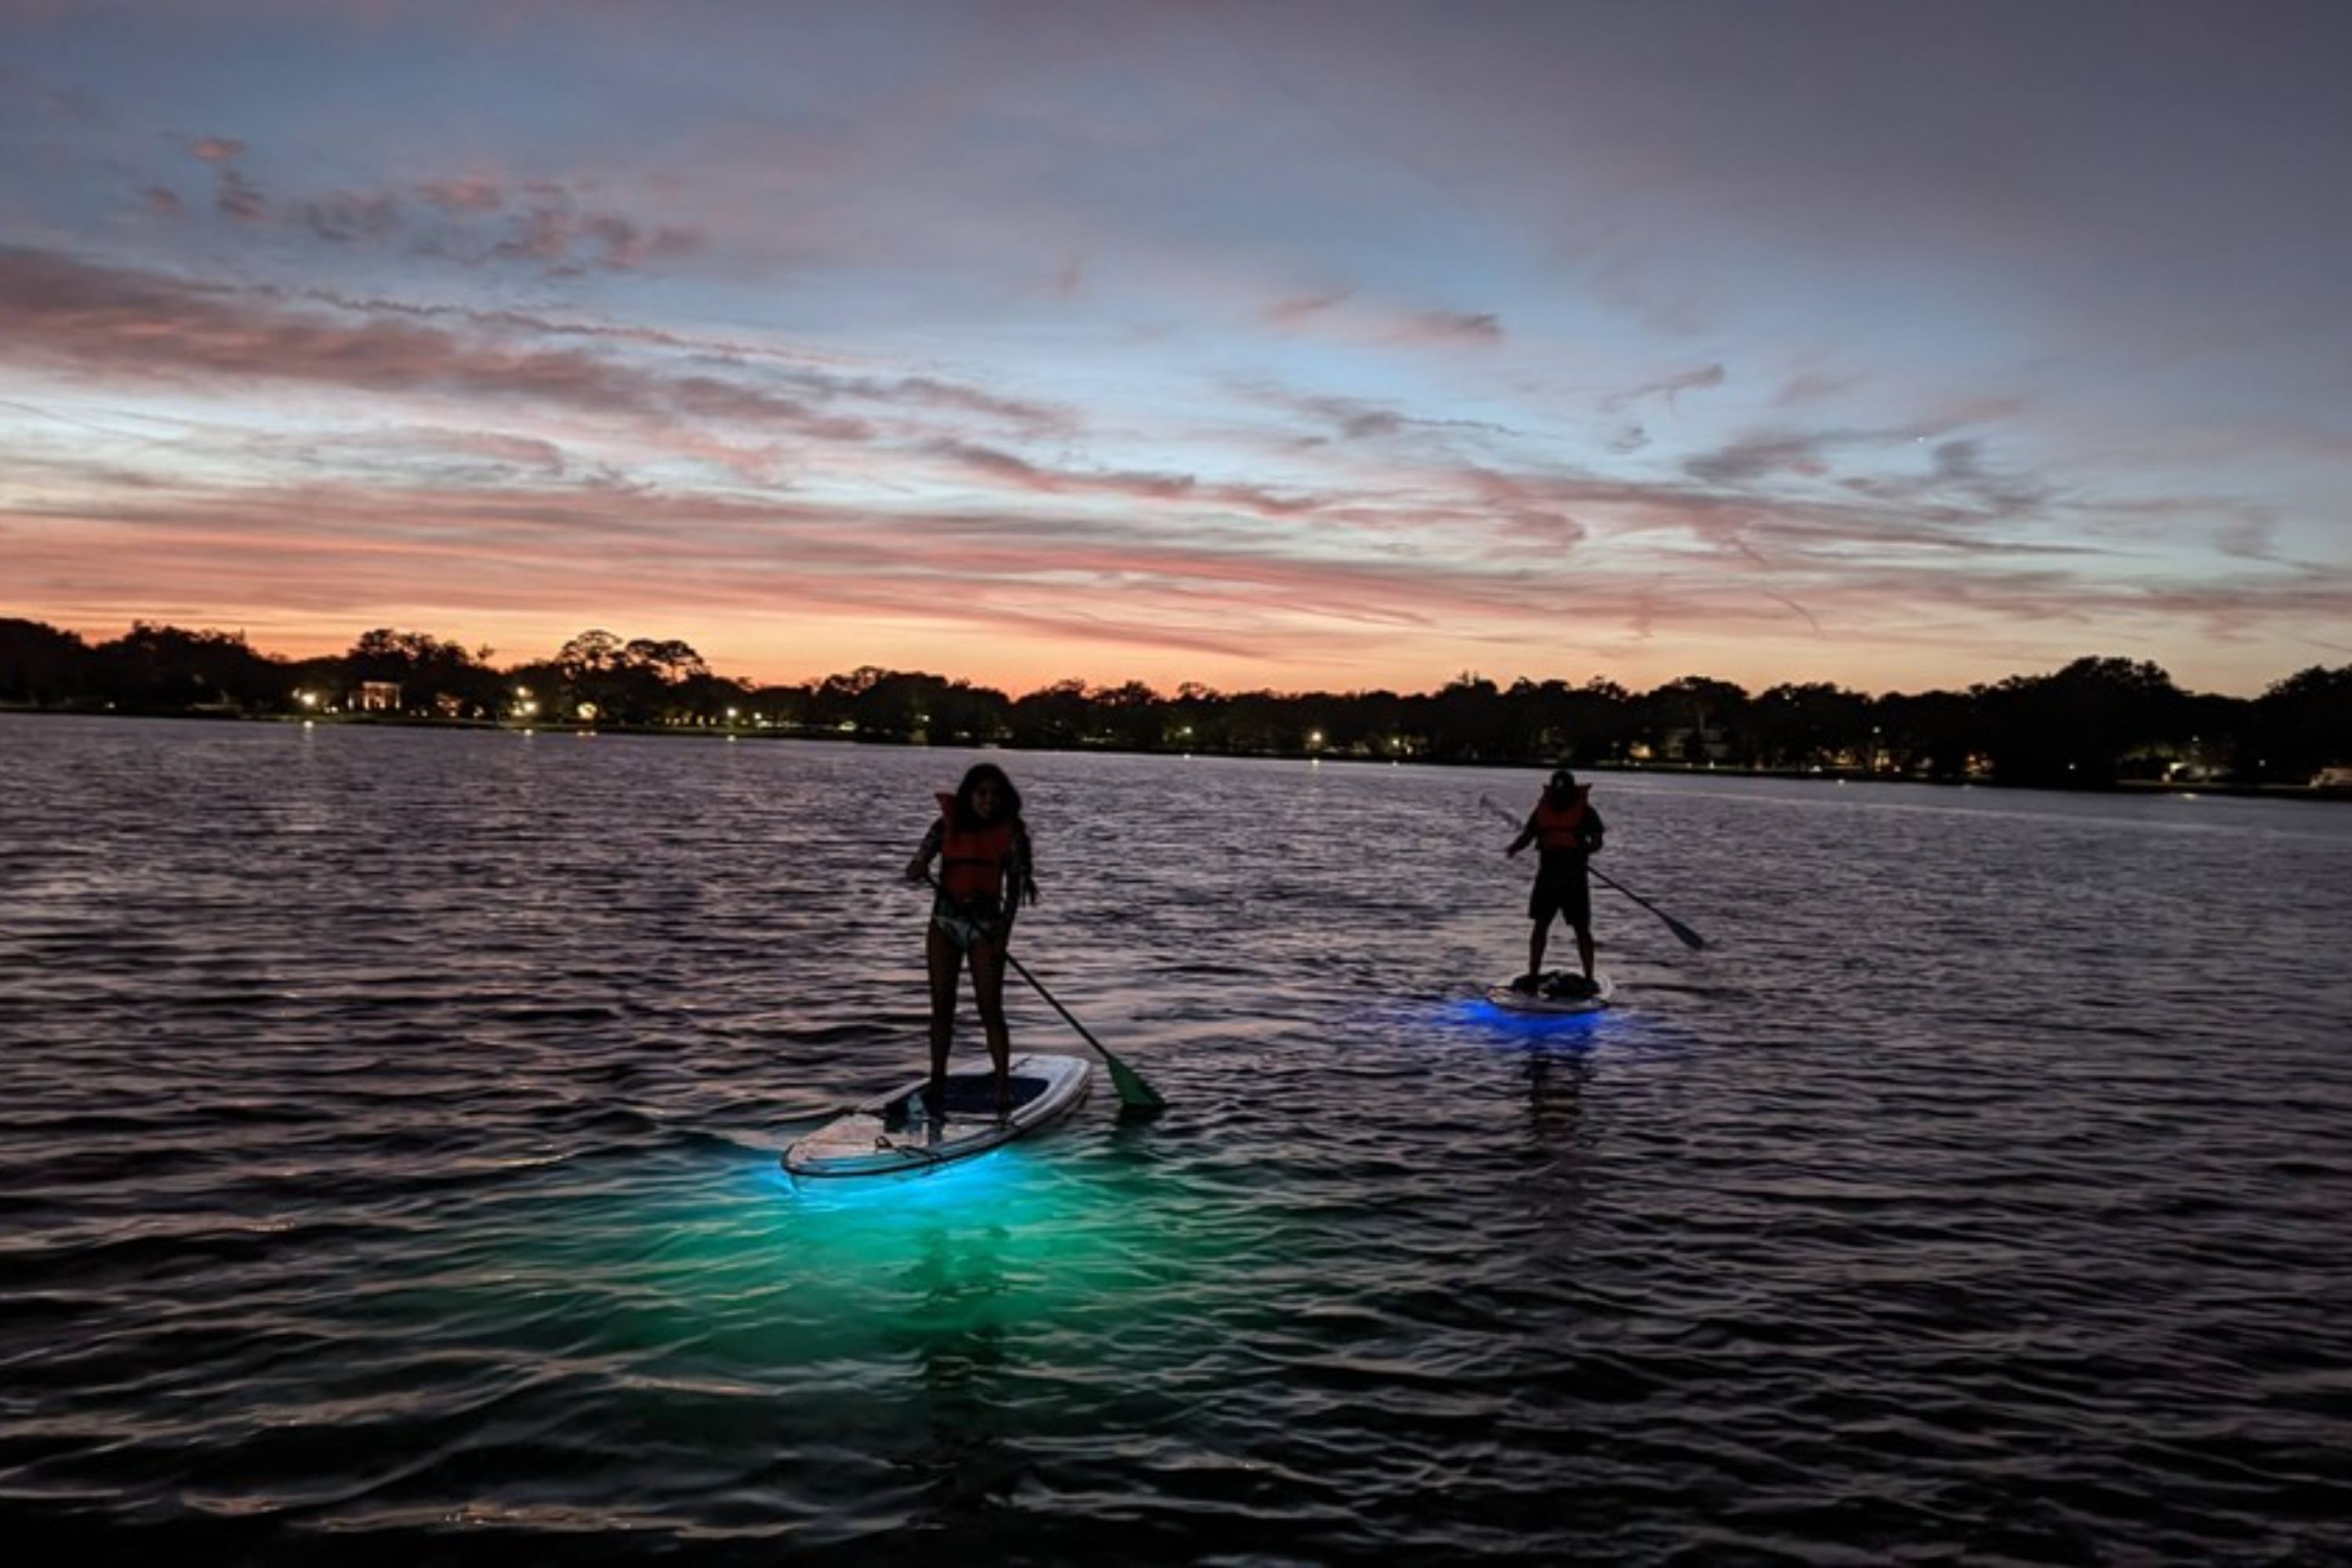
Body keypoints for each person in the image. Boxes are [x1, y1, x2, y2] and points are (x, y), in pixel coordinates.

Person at [903, 763, 1039, 1120]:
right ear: (969, 796)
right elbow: (921, 857)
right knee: (941, 1008)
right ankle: (937, 1082)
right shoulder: (945, 825)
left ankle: (1002, 1088)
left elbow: (1014, 894)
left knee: (990, 1009)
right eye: (982, 794)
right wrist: (917, 866)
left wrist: (1002, 938)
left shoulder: (1012, 835)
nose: (989, 801)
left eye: (995, 795)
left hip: (986, 930)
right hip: (945, 924)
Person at [1505, 767, 1606, 994]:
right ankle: (1533, 974)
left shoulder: (1586, 812)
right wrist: (1514, 848)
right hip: (1548, 877)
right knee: (1540, 926)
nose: (1560, 795)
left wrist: (1584, 848)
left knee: (1582, 928)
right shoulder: (1542, 811)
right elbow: (1529, 835)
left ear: (1571, 791)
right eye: (1557, 790)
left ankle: (1589, 976)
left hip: (1574, 878)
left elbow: (1598, 841)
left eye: (1564, 791)